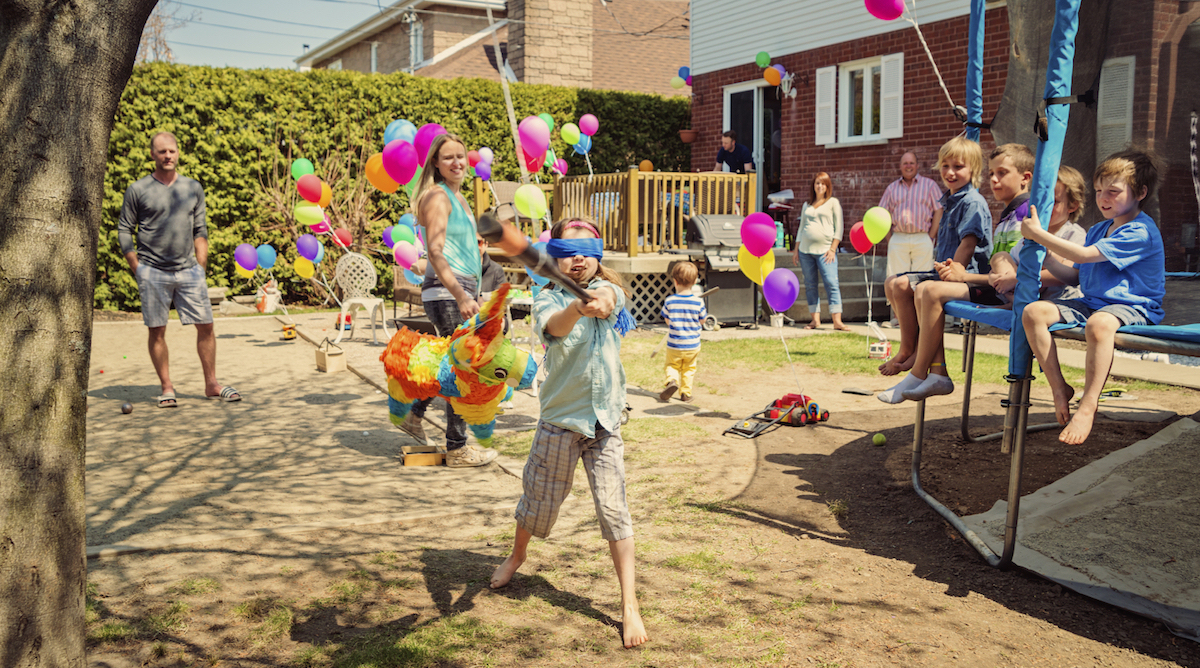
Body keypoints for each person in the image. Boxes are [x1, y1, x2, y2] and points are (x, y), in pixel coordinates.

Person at [490, 217, 648, 650]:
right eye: (567, 250)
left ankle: (629, 604)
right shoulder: (547, 297)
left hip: (605, 422)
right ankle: (518, 554)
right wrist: (577, 307)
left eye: (586, 251)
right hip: (560, 421)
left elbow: (611, 299)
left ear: (598, 255)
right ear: (554, 255)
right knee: (539, 503)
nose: (577, 258)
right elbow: (554, 329)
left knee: (615, 511)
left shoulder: (610, 290)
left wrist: (599, 300)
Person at [885, 164, 1088, 403]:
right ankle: (931, 369)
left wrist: (1013, 277)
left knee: (932, 286)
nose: (1045, 208)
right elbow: (1003, 264)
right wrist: (1001, 271)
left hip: (1051, 304)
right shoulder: (1030, 234)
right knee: (932, 285)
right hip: (1011, 293)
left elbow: (1068, 273)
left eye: (1053, 202)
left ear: (1072, 205)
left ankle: (919, 371)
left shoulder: (1073, 234)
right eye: (1041, 202)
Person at [1021, 150, 1165, 445]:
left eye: (1113, 191)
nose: (1104, 198)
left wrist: (1039, 235)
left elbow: (1086, 256)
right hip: (1092, 303)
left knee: (1099, 324)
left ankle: (1088, 405)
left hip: (1133, 307)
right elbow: (1076, 275)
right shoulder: (1099, 228)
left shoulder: (1140, 231)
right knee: (1034, 312)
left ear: (1140, 192)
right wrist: (1048, 259)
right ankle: (1059, 387)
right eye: (1099, 191)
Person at [118, 131, 241, 408]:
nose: (167, 155)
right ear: (153, 154)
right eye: (162, 151)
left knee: (206, 326)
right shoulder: (138, 190)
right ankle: (167, 387)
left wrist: (201, 265)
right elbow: (125, 229)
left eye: (171, 151)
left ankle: (211, 384)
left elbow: (200, 229)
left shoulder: (192, 187)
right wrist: (137, 267)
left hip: (189, 271)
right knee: (157, 330)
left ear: (178, 152)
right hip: (152, 271)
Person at [398, 133, 496, 468]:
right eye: (448, 158)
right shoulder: (438, 197)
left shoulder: (459, 197)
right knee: (463, 369)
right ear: (436, 165)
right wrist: (461, 294)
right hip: (447, 291)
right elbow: (436, 252)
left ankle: (413, 416)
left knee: (451, 366)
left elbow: (469, 252)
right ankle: (456, 448)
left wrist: (476, 291)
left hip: (459, 289)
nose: (457, 162)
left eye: (460, 156)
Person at [877, 136, 992, 383]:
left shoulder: (971, 202)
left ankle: (916, 353)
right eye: (945, 166)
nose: (950, 172)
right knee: (891, 283)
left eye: (958, 167)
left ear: (974, 170)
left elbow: (968, 244)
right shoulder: (949, 199)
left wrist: (952, 273)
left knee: (903, 285)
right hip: (944, 270)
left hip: (965, 275)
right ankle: (910, 347)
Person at [878, 151, 944, 326]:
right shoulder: (892, 188)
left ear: (917, 165)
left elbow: (939, 209)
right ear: (900, 166)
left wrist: (931, 236)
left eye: (911, 163)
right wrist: (889, 237)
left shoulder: (929, 185)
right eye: (905, 163)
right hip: (898, 237)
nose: (908, 166)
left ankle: (920, 318)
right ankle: (899, 318)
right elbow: (882, 213)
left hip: (922, 237)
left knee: (921, 280)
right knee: (894, 279)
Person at [792, 172, 848, 330]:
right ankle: (815, 320)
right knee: (810, 285)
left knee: (831, 283)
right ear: (813, 185)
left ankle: (837, 321)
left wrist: (833, 249)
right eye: (817, 183)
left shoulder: (833, 203)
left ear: (827, 186)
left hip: (826, 251)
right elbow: (801, 228)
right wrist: (796, 250)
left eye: (823, 183)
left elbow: (839, 228)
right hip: (805, 251)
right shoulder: (806, 205)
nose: (820, 186)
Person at [659, 261, 706, 403]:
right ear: (694, 282)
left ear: (675, 281)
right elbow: (702, 320)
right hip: (692, 345)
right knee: (689, 369)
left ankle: (672, 381)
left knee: (672, 366)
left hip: (674, 344)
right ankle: (685, 393)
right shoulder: (699, 302)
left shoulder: (670, 301)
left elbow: (667, 320)